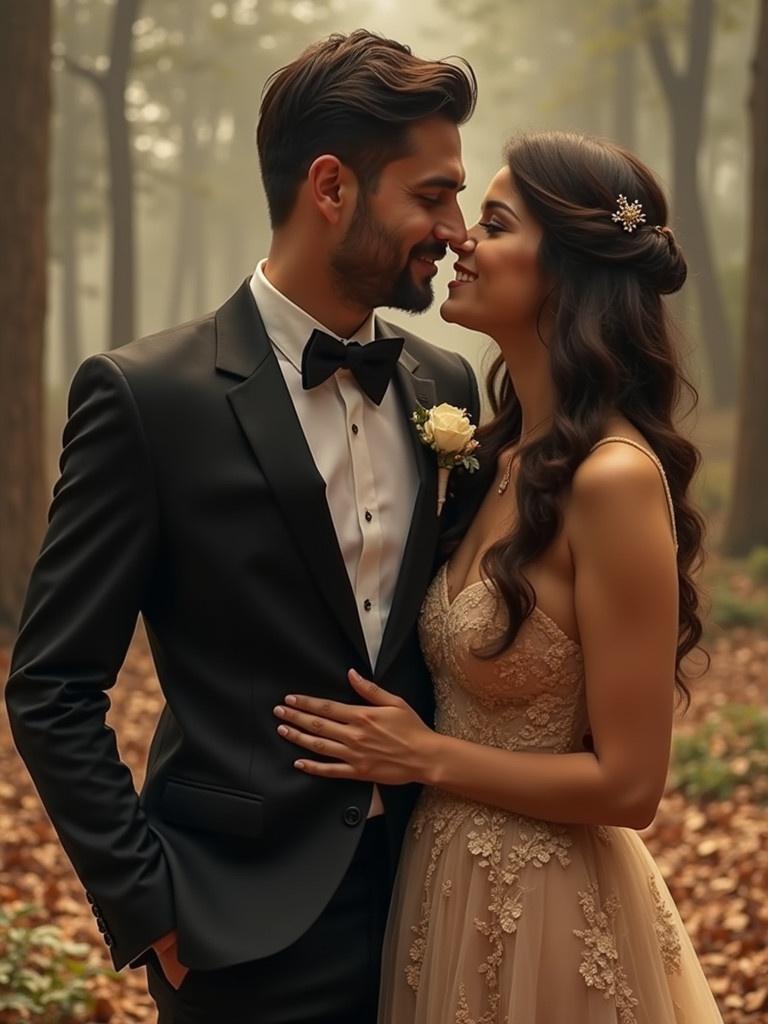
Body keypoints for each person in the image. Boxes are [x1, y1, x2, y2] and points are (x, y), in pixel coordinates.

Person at [5, 30, 480, 1024]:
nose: (456, 226)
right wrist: (153, 903)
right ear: (331, 187)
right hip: (241, 934)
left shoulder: (445, 385)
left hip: (441, 901)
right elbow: (51, 683)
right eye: (431, 195)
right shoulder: (145, 398)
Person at [271, 131, 725, 1023]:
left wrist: (423, 756)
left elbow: (632, 788)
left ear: (571, 270)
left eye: (494, 223)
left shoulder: (615, 480)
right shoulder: (494, 456)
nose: (459, 241)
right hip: (439, 889)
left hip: (553, 915)